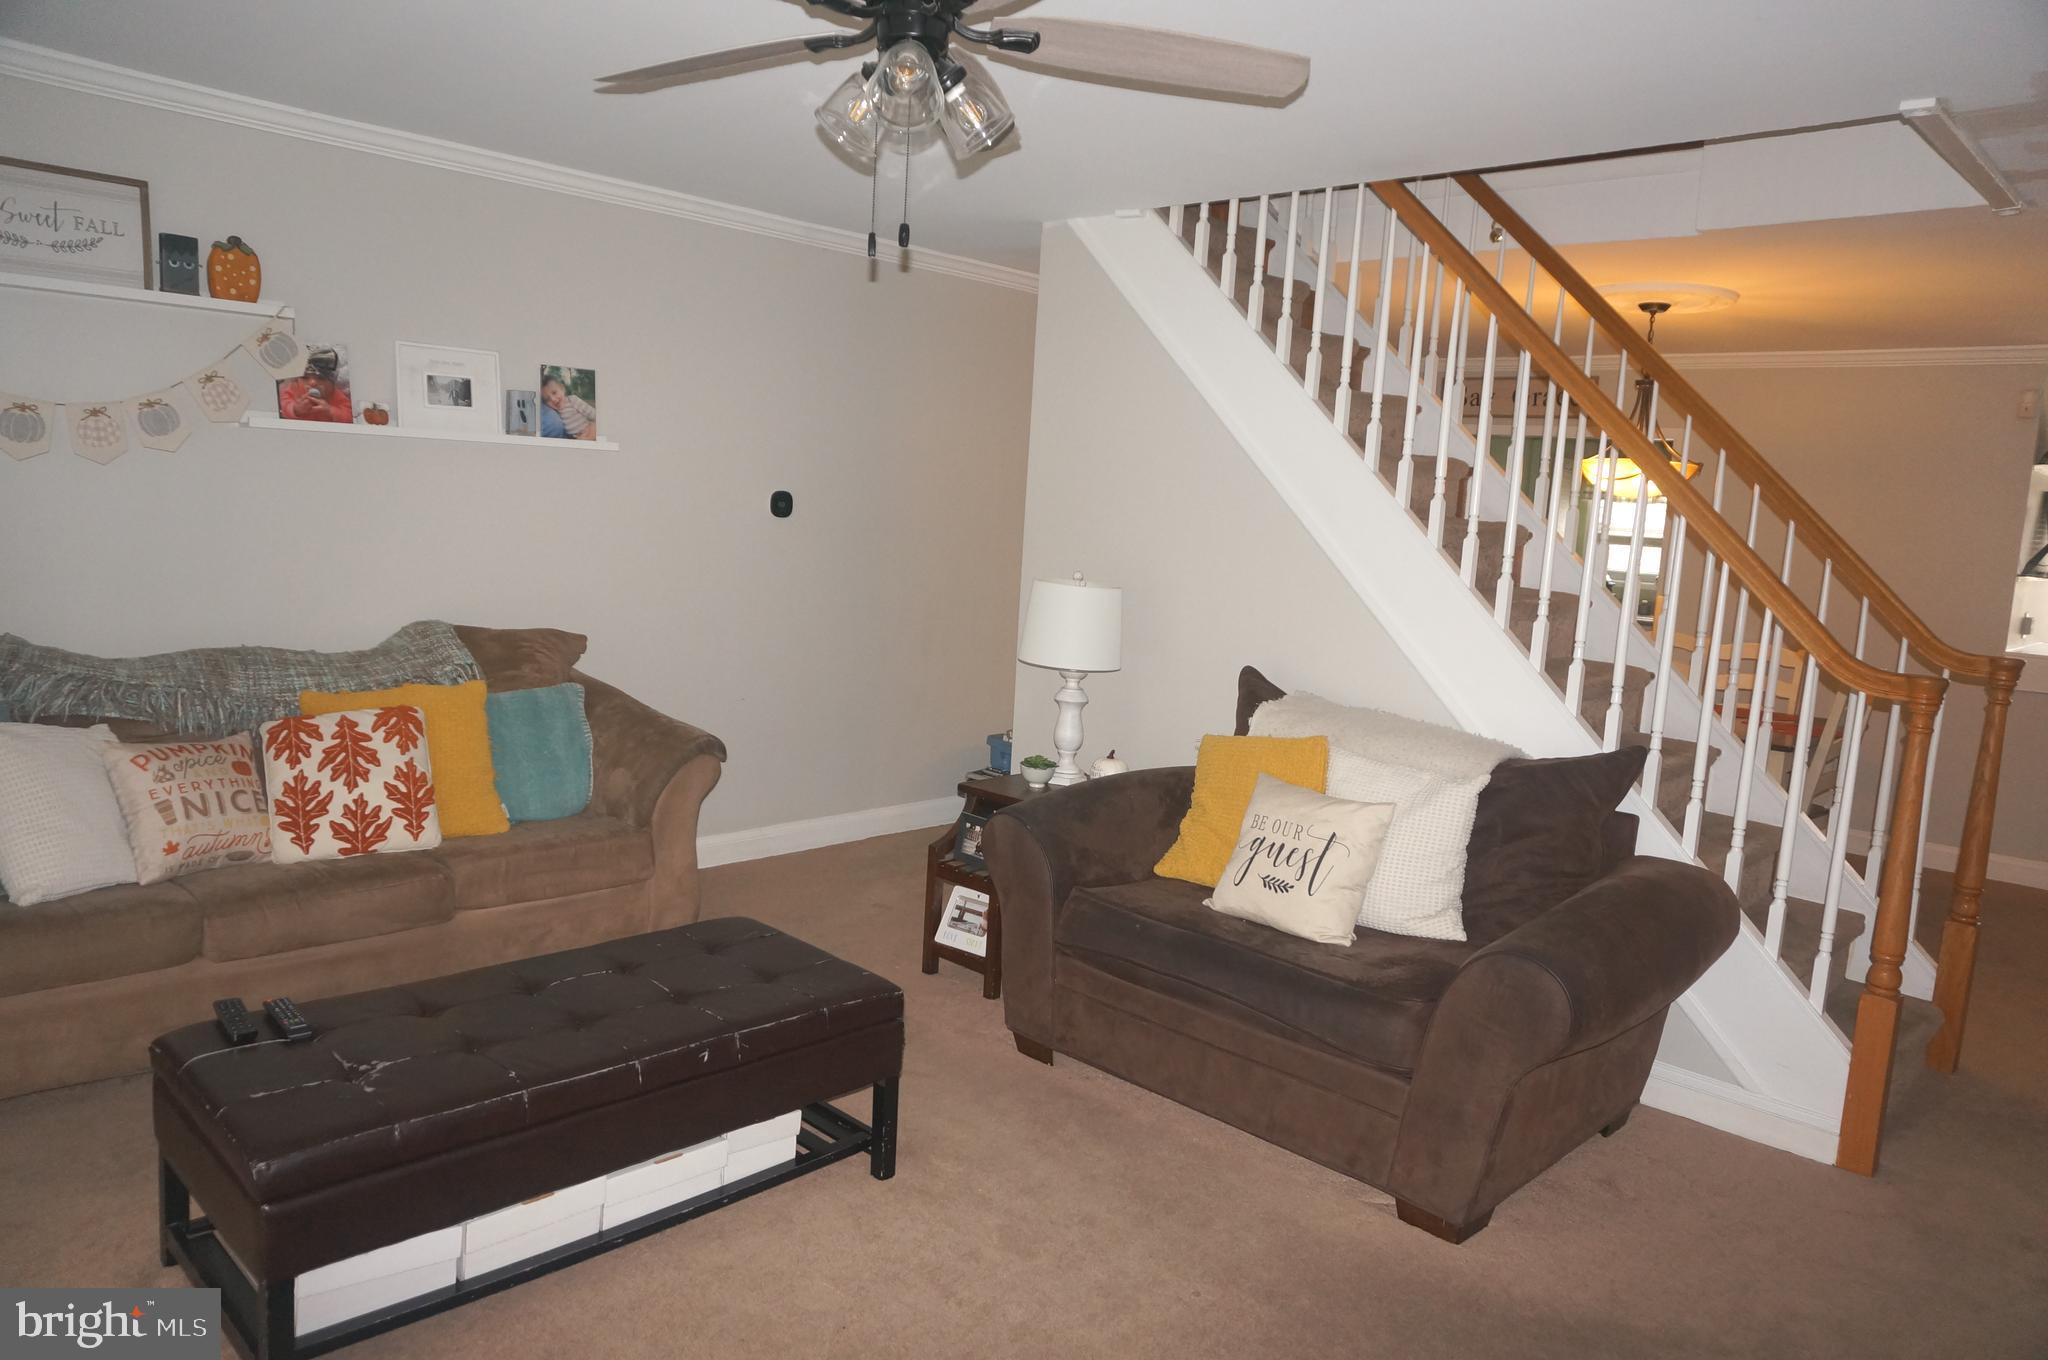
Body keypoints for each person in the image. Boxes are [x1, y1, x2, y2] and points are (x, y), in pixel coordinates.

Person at [540, 373, 596, 440]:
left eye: (554, 393)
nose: (553, 399)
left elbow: (593, 414)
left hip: (588, 433)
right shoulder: (555, 412)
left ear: (562, 389)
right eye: (548, 399)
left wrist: (592, 428)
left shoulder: (572, 400)